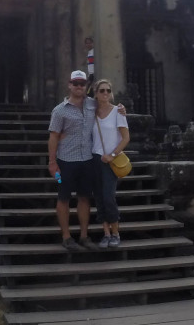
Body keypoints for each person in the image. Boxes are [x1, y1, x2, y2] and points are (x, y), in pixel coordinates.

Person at [47, 69, 125, 252]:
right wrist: (52, 163)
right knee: (63, 196)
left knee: (84, 197)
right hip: (64, 162)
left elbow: (108, 106)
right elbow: (53, 136)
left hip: (87, 161)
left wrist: (121, 109)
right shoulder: (59, 111)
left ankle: (84, 235)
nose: (79, 87)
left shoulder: (92, 104)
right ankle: (66, 237)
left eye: (82, 84)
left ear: (86, 86)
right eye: (76, 83)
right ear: (69, 85)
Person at [90, 78, 130, 249]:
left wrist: (113, 154)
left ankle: (116, 233)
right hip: (94, 159)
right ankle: (106, 233)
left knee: (108, 197)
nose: (105, 93)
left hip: (110, 160)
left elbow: (126, 137)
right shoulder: (91, 112)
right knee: (98, 198)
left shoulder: (117, 112)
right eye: (101, 91)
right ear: (96, 94)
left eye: (107, 90)